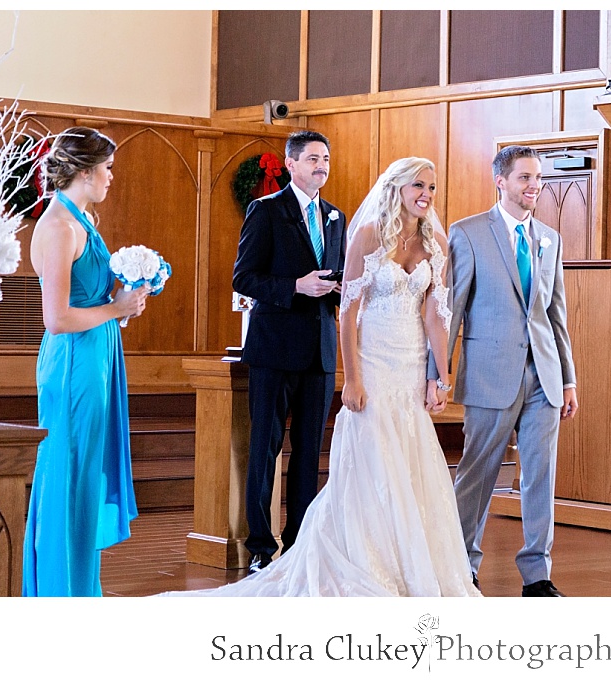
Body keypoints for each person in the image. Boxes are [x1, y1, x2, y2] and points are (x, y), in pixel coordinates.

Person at [160, 157, 479, 596]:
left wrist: (439, 377)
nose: (427, 194)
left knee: (411, 464)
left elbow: (436, 315)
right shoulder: (367, 235)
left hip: (409, 368)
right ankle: (359, 557)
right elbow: (347, 314)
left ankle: (410, 565)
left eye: (433, 187)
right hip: (373, 362)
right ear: (397, 189)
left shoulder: (435, 240)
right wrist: (352, 377)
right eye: (418, 185)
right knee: (371, 464)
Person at [443, 145, 578, 597]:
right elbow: (452, 310)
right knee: (477, 474)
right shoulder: (468, 233)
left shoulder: (549, 238)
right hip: (488, 373)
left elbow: (555, 314)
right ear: (500, 181)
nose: (533, 186)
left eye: (537, 178)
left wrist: (569, 378)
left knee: (540, 475)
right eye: (524, 178)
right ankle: (464, 564)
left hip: (544, 375)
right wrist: (438, 374)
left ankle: (537, 575)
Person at [23, 127, 149, 596]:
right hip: (74, 364)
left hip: (95, 357)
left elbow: (85, 297)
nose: (112, 177)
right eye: (108, 168)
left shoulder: (81, 220)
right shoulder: (57, 227)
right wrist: (114, 310)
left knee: (85, 475)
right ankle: (60, 592)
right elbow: (56, 318)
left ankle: (78, 588)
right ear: (84, 170)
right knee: (70, 472)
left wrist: (122, 299)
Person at [232, 131, 346, 573]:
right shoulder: (265, 210)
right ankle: (261, 545)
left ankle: (300, 543)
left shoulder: (336, 216)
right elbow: (245, 277)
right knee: (265, 450)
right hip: (274, 347)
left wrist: (340, 289)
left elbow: (336, 278)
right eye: (314, 158)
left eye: (326, 159)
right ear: (291, 164)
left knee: (308, 453)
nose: (322, 166)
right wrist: (296, 286)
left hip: (319, 350)